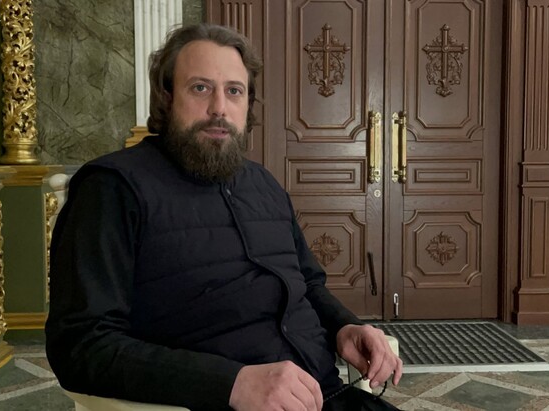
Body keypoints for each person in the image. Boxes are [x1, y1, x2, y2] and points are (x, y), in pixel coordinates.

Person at [45, 23, 403, 411]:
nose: (219, 108)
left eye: (234, 91)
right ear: (166, 97)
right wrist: (232, 383)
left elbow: (309, 284)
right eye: (200, 88)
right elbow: (81, 345)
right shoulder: (113, 189)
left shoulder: (264, 185)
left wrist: (344, 326)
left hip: (327, 397)